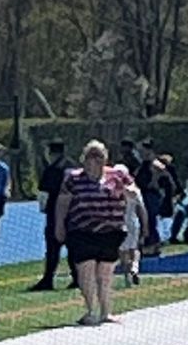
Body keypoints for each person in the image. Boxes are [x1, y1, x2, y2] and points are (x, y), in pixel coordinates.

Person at [55, 139, 134, 325]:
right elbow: (62, 202)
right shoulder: (73, 178)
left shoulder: (117, 175)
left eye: (98, 156)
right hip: (82, 231)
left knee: (105, 273)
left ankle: (106, 311)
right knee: (86, 270)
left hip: (110, 231)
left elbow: (133, 193)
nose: (94, 161)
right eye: (91, 156)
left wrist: (125, 191)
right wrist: (59, 225)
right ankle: (91, 310)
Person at [29, 139, 75, 291]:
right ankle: (77, 277)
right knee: (73, 247)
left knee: (53, 247)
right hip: (73, 212)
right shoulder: (72, 166)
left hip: (55, 211)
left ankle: (48, 278)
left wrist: (43, 208)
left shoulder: (52, 169)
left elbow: (44, 192)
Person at [118, 184, 148, 287]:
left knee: (123, 251)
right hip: (133, 222)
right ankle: (135, 268)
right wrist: (145, 226)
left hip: (120, 223)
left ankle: (127, 277)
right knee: (134, 248)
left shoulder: (112, 190)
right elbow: (142, 210)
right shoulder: (134, 191)